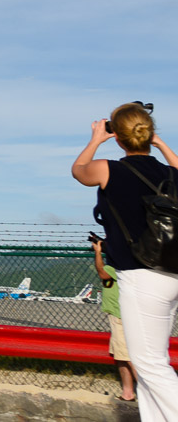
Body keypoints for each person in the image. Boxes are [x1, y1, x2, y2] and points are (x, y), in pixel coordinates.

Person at [72, 103, 178, 421]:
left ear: (117, 137)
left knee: (149, 364)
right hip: (171, 272)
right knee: (151, 364)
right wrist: (159, 144)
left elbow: (79, 170)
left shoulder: (109, 168)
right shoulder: (170, 174)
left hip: (140, 277)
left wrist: (95, 139)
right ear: (148, 133)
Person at [91, 235, 136, 401]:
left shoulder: (115, 267)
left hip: (120, 317)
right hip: (119, 316)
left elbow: (102, 273)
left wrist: (97, 253)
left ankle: (150, 393)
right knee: (121, 357)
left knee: (128, 357)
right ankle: (128, 392)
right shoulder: (125, 265)